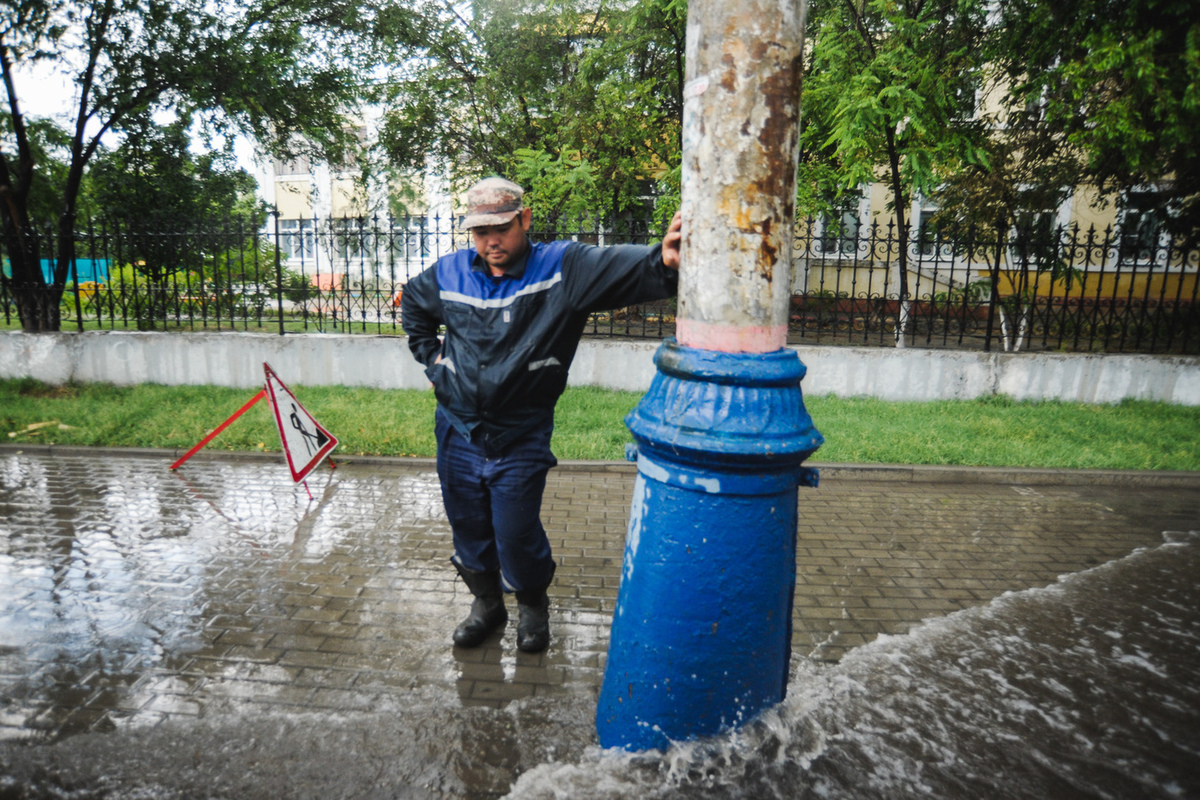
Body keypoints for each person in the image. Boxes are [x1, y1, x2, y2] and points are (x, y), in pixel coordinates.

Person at [401, 177, 682, 653]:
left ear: (524, 220)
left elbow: (624, 267)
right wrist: (436, 364)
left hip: (521, 432)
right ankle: (486, 606)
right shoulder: (448, 273)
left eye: (502, 229)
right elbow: (413, 304)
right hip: (458, 429)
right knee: (467, 524)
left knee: (515, 531)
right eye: (479, 231)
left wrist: (663, 260)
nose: (491, 241)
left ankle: (533, 607)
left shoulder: (562, 269)